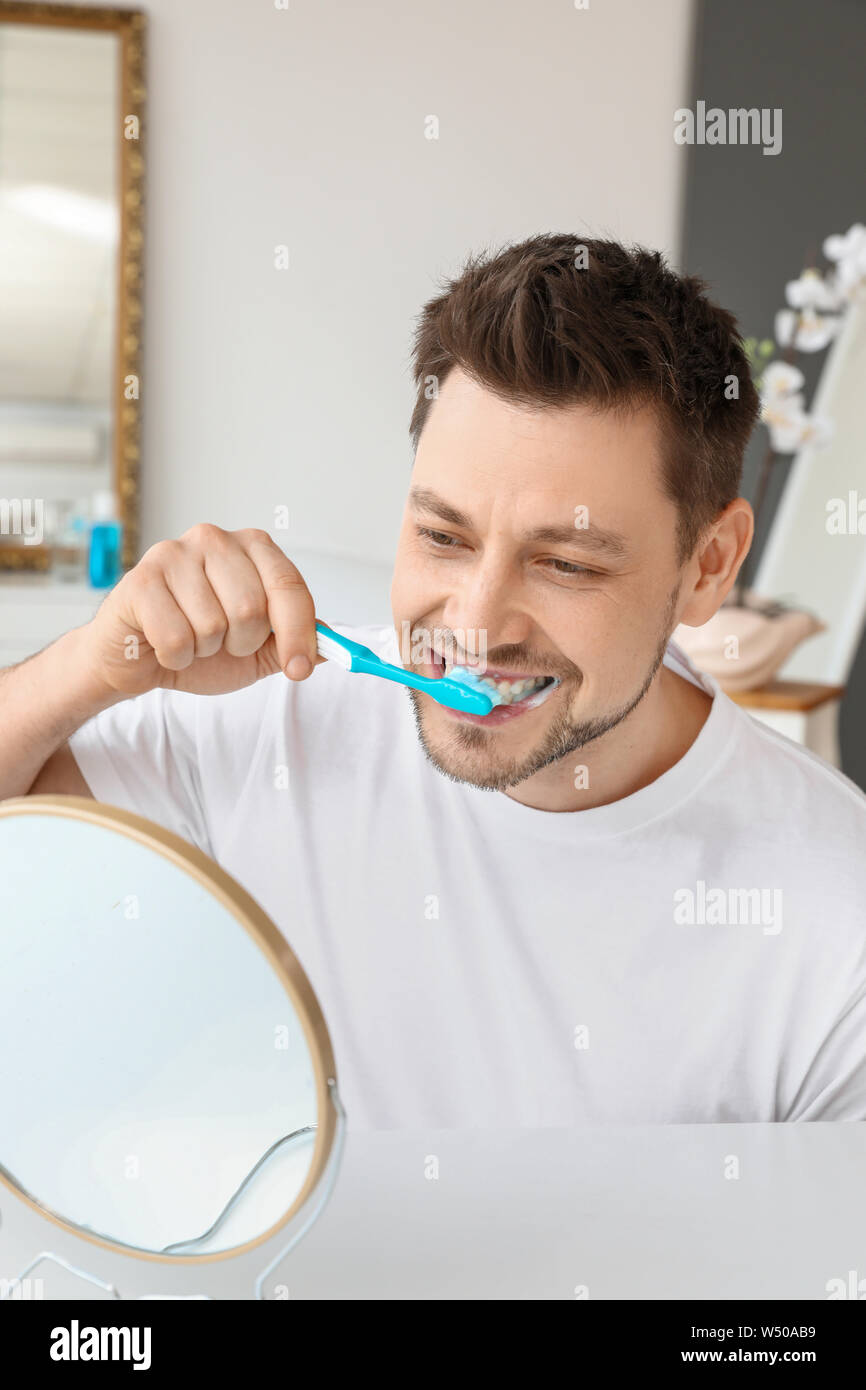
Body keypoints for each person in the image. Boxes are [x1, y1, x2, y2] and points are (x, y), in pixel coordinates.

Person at [5, 234, 866, 1126]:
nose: (475, 625)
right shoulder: (271, 719)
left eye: (566, 563)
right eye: (443, 539)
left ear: (709, 567)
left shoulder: (834, 912)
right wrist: (88, 669)